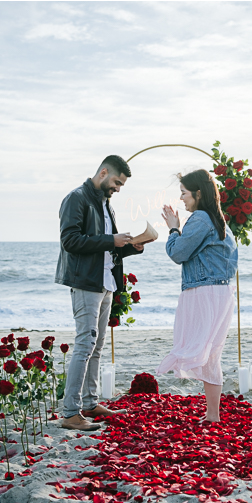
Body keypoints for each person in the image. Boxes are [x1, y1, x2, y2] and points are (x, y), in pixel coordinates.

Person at [55, 156, 145, 432]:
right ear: (103, 172)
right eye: (117, 182)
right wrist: (111, 240)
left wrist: (134, 246)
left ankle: (90, 403)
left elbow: (109, 248)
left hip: (106, 281)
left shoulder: (106, 204)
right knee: (85, 345)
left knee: (97, 346)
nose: (117, 188)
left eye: (121, 185)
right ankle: (71, 412)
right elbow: (70, 241)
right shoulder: (77, 198)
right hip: (85, 282)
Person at [158, 169, 238, 423]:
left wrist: (173, 229)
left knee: (204, 349)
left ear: (198, 193)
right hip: (219, 291)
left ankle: (213, 413)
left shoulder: (201, 219)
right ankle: (212, 414)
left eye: (183, 193)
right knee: (211, 352)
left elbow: (178, 253)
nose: (181, 198)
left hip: (204, 292)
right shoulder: (216, 219)